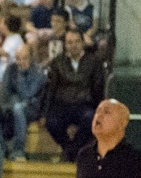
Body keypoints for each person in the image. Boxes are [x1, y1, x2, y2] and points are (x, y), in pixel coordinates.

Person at [44, 29, 104, 161]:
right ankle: (71, 149)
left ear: (82, 43)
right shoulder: (57, 62)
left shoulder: (94, 61)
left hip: (84, 104)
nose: (74, 45)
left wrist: (100, 110)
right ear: (65, 44)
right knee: (51, 122)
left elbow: (98, 89)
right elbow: (51, 89)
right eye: (70, 42)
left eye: (77, 41)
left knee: (90, 118)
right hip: (63, 104)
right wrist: (45, 112)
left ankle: (70, 151)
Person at [0, 44, 46, 161]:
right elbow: (3, 92)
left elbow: (27, 94)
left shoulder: (38, 72)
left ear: (31, 58)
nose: (20, 62)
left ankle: (18, 151)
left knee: (18, 107)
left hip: (32, 108)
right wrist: (3, 106)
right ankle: (1, 149)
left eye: (24, 58)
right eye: (18, 58)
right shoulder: (11, 68)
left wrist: (20, 74)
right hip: (12, 104)